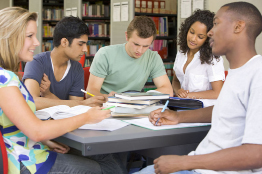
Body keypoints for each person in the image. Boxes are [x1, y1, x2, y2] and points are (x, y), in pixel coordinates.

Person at [135, 1, 262, 174]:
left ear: (238, 27)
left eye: (216, 24)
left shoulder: (258, 74)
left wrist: (184, 162)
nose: (210, 32)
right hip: (200, 165)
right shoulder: (237, 71)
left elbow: (256, 154)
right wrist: (177, 117)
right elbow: (226, 109)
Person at [0, 7, 127, 174]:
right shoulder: (5, 80)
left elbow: (15, 126)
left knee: (105, 158)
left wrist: (46, 142)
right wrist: (87, 117)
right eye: (30, 36)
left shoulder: (8, 77)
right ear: (10, 38)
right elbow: (37, 130)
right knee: (102, 167)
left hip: (29, 149)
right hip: (26, 162)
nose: (37, 42)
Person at [23, 16, 106, 110]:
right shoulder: (36, 62)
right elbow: (32, 102)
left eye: (85, 44)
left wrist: (48, 95)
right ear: (64, 42)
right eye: (80, 44)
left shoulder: (77, 68)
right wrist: (82, 104)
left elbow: (76, 108)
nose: (84, 49)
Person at [87, 16, 173, 98]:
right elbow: (90, 93)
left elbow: (168, 90)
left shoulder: (153, 57)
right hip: (106, 106)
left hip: (136, 107)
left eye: (146, 46)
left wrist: (142, 97)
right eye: (136, 44)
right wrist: (106, 97)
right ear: (127, 36)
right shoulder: (105, 54)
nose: (140, 50)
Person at [172, 9, 225, 107]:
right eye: (191, 32)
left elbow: (217, 92)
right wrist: (178, 91)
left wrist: (188, 96)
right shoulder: (181, 52)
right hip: (182, 106)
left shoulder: (213, 58)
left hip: (203, 109)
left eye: (200, 37)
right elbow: (175, 81)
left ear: (208, 39)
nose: (193, 39)